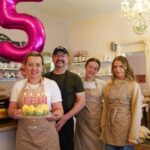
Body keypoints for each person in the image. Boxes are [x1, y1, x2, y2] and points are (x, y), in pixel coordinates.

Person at [8, 52, 63, 150]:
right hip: (25, 139)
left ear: (42, 67)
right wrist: (14, 112)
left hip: (47, 139)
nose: (34, 68)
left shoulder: (51, 84)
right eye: (30, 65)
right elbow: (11, 110)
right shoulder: (18, 85)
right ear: (25, 66)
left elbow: (59, 109)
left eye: (38, 65)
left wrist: (56, 115)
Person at [44, 46, 85, 150]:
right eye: (57, 55)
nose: (60, 58)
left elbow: (81, 101)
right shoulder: (44, 77)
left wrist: (65, 117)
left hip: (67, 120)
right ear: (53, 58)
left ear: (68, 59)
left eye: (63, 55)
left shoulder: (75, 78)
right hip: (47, 120)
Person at [100, 56, 143, 150]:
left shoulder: (133, 86)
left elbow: (137, 112)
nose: (117, 69)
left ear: (126, 67)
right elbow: (105, 108)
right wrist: (103, 126)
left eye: (121, 66)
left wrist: (133, 135)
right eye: (115, 67)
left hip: (126, 130)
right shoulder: (108, 86)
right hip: (109, 129)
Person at [74, 58, 105, 150]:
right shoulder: (78, 82)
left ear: (98, 70)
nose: (92, 70)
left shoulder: (102, 84)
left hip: (97, 122)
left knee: (97, 145)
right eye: (90, 67)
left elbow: (106, 102)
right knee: (81, 145)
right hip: (82, 121)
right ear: (85, 67)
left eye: (95, 69)